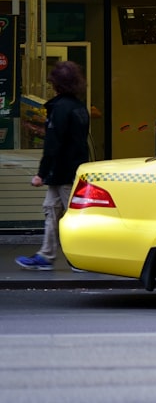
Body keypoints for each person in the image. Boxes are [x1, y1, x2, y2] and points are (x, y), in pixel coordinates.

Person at [16, 61, 91, 271]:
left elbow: (53, 144)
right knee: (54, 211)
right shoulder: (79, 107)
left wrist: (41, 174)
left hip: (61, 171)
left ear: (57, 84)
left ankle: (82, 257)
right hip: (72, 169)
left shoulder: (59, 108)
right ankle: (47, 255)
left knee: (70, 214)